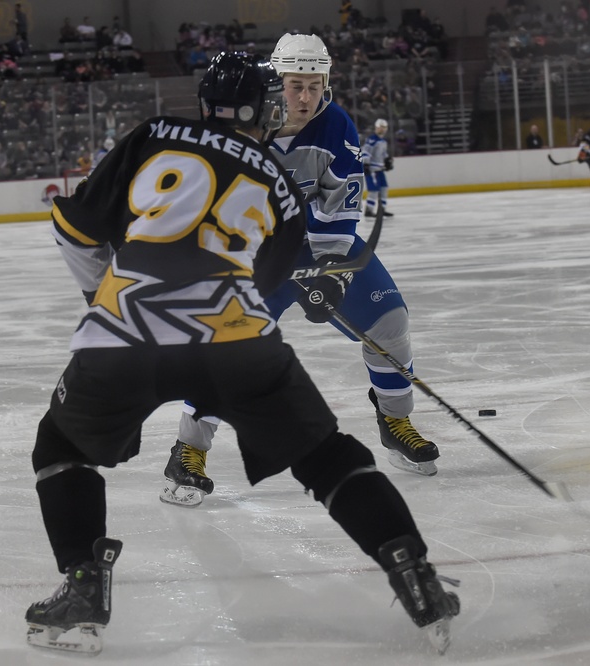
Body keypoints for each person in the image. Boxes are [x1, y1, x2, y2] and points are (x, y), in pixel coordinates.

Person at [24, 51, 460, 657]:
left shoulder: (151, 135)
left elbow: (73, 230)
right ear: (261, 109)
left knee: (60, 449)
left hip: (127, 329)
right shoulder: (277, 180)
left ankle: (82, 587)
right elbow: (268, 280)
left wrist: (101, 293)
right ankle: (415, 574)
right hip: (233, 336)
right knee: (326, 456)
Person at [161, 33, 442, 509]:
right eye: (296, 85)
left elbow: (340, 209)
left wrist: (331, 275)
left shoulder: (336, 126)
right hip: (253, 256)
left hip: (319, 248)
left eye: (315, 84)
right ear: (277, 82)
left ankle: (395, 422)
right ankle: (188, 451)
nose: (306, 97)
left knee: (389, 323)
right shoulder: (240, 124)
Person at [361, 118, 395, 218]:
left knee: (384, 188)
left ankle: (382, 209)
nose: (383, 129)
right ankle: (369, 210)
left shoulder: (383, 141)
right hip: (372, 169)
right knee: (373, 190)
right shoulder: (372, 139)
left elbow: (383, 153)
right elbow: (366, 151)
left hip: (380, 169)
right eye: (381, 127)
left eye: (385, 127)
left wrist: (387, 161)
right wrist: (366, 163)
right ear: (376, 127)